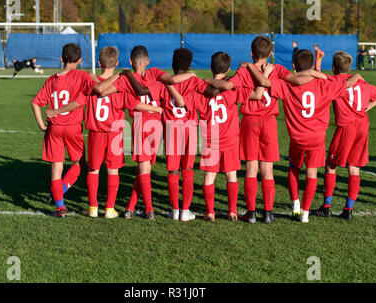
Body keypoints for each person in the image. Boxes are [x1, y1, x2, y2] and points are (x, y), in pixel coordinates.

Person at [203, 36, 326, 224]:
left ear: (251, 53)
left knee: (251, 168)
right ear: (270, 54)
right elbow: (296, 79)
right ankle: (268, 213)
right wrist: (315, 72)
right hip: (269, 122)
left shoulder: (244, 71)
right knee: (267, 169)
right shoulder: (277, 69)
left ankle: (251, 213)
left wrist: (207, 80)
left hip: (250, 121)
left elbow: (228, 86)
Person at [44, 46, 162, 219]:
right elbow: (132, 103)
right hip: (114, 133)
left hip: (95, 132)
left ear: (99, 63)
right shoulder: (121, 84)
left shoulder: (91, 84)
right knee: (113, 171)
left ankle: (93, 207)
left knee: (93, 170)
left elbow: (79, 101)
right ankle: (109, 209)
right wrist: (156, 108)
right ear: (117, 64)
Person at [246, 49, 362, 223]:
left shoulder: (286, 85)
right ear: (313, 66)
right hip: (317, 138)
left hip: (297, 137)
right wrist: (357, 76)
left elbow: (265, 83)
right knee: (312, 174)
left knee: (294, 168)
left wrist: (261, 69)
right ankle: (306, 213)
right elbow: (346, 84)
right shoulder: (325, 85)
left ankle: (295, 205)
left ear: (294, 66)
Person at [123, 48, 219, 222]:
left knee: (173, 171)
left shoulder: (162, 82)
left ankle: (175, 210)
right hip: (189, 128)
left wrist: (128, 75)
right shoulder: (194, 81)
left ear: (173, 64)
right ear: (189, 65)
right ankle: (185, 211)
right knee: (187, 170)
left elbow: (143, 91)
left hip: (171, 128)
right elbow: (212, 93)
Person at [99, 45, 194, 220]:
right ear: (148, 61)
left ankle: (149, 209)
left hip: (140, 124)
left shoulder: (126, 79)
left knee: (143, 168)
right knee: (145, 168)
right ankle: (131, 206)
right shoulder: (155, 73)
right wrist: (191, 75)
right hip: (156, 124)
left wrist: (118, 77)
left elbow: (102, 92)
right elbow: (172, 80)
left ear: (130, 62)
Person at [184, 52, 267, 222]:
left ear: (210, 67)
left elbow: (184, 102)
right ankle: (232, 211)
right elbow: (258, 95)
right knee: (232, 176)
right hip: (230, 140)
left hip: (210, 141)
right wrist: (264, 76)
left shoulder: (202, 92)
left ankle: (210, 212)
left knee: (209, 177)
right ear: (228, 68)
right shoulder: (233, 90)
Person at [312, 51, 376, 220]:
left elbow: (317, 76)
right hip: (362, 126)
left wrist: (317, 61)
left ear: (333, 68)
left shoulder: (336, 81)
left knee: (331, 164)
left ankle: (326, 207)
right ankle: (348, 210)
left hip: (347, 127)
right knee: (354, 168)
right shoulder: (361, 82)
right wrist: (368, 107)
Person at [31, 43, 96, 218]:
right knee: (79, 164)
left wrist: (41, 125)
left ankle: (60, 207)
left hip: (54, 128)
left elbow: (35, 103)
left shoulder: (51, 80)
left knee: (56, 167)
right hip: (73, 128)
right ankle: (61, 190)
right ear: (80, 60)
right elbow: (96, 89)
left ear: (61, 59)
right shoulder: (82, 76)